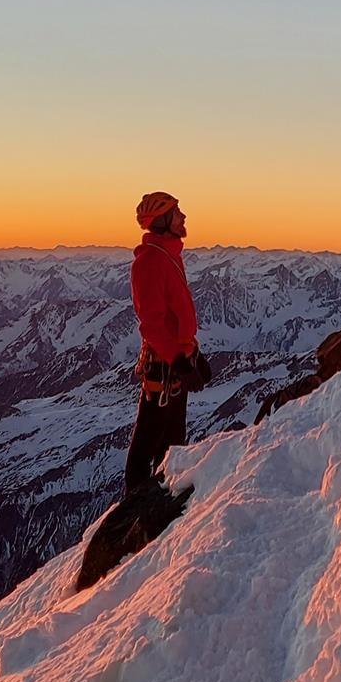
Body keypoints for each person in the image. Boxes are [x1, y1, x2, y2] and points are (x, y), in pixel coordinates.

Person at [124, 192, 211, 499]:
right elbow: (152, 325)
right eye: (176, 213)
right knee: (149, 441)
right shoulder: (150, 262)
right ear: (162, 221)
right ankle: (135, 507)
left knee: (172, 439)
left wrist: (192, 353)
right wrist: (181, 362)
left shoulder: (168, 255)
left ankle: (163, 501)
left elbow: (175, 319)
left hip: (173, 362)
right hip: (164, 366)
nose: (183, 217)